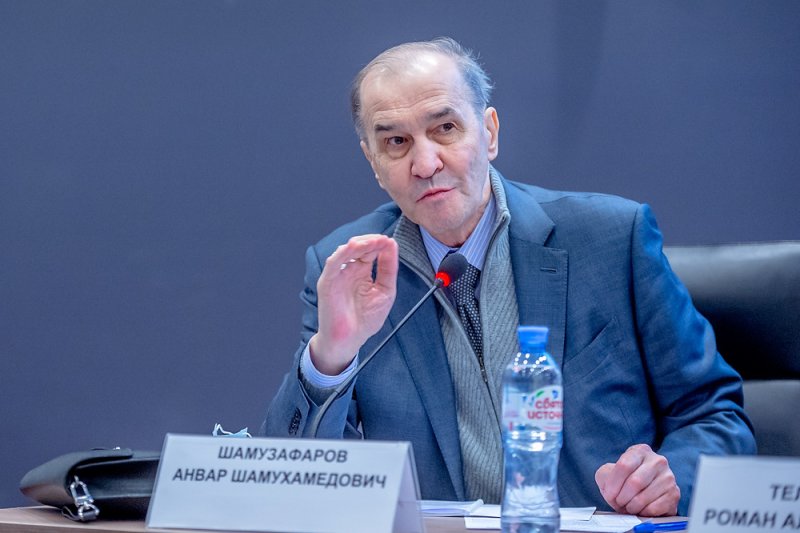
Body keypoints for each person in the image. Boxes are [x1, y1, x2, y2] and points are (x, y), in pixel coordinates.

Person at [262, 37, 755, 516]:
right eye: (396, 142)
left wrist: (672, 479)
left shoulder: (610, 240)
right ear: (374, 163)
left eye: (446, 128)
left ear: (490, 132)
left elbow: (714, 415)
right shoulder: (350, 268)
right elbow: (293, 475)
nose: (425, 164)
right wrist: (331, 356)